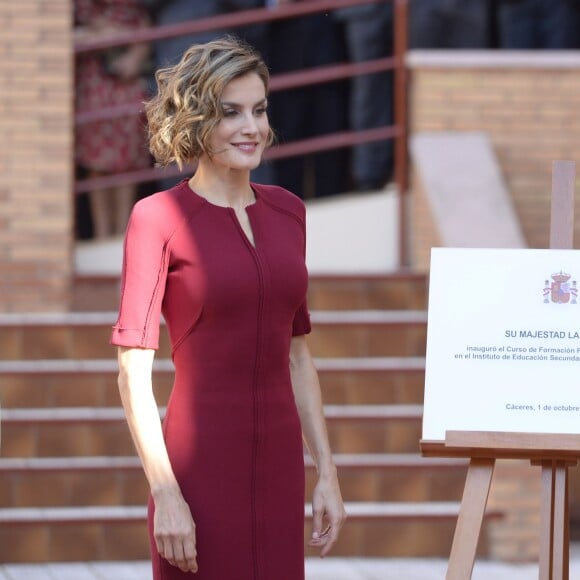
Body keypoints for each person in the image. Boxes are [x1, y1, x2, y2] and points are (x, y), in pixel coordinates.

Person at [110, 36, 346, 579]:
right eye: (230, 112)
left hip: (280, 466)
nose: (252, 128)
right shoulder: (158, 218)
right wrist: (166, 494)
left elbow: (298, 357)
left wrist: (327, 472)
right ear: (197, 120)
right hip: (199, 468)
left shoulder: (289, 213)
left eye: (259, 110)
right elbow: (132, 376)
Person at [74, 0, 152, 238]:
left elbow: (146, 30)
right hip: (94, 83)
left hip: (127, 83)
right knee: (96, 160)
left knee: (126, 160)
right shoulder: (84, 7)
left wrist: (135, 55)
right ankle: (102, 235)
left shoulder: (135, 9)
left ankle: (121, 235)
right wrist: (101, 34)